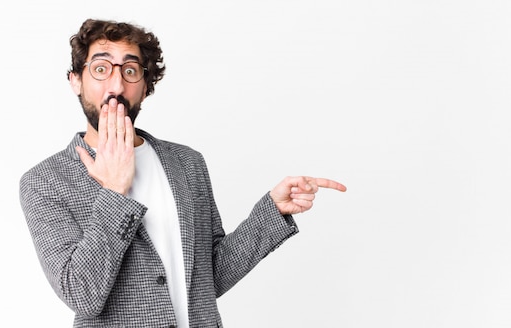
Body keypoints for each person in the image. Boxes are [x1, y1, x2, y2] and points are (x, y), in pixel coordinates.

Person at [19, 18, 346, 328]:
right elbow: (82, 295)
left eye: (130, 70)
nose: (117, 85)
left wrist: (272, 211)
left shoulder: (187, 163)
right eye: (101, 68)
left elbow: (210, 276)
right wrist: (115, 190)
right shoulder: (45, 182)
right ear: (76, 79)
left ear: (145, 86)